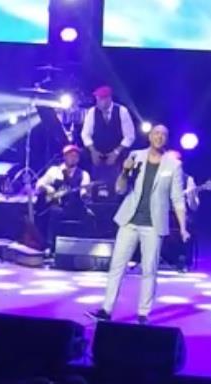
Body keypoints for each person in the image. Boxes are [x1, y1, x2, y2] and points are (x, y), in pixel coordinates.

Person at [87, 124, 189, 324]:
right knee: (117, 266)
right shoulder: (136, 156)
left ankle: (143, 313)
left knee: (149, 269)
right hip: (129, 220)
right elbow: (120, 189)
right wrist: (125, 172)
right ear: (150, 136)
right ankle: (106, 310)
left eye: (163, 135)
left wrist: (183, 228)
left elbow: (177, 198)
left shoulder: (174, 165)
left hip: (153, 224)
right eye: (156, 133)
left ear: (166, 139)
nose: (159, 137)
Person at [35, 144, 94, 254]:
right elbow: (39, 185)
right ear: (65, 156)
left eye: (76, 156)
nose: (73, 158)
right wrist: (48, 188)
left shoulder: (83, 174)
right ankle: (50, 246)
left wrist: (86, 193)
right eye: (70, 155)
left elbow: (84, 192)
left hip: (75, 206)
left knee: (90, 216)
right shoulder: (54, 171)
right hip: (58, 205)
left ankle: (84, 248)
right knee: (54, 213)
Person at [81, 85, 135, 196]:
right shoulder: (92, 112)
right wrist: (93, 151)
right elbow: (85, 134)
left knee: (115, 186)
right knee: (98, 185)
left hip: (117, 155)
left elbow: (130, 136)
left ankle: (116, 198)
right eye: (97, 99)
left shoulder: (121, 111)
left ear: (108, 99)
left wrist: (116, 152)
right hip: (98, 153)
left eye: (100, 99)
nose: (98, 102)